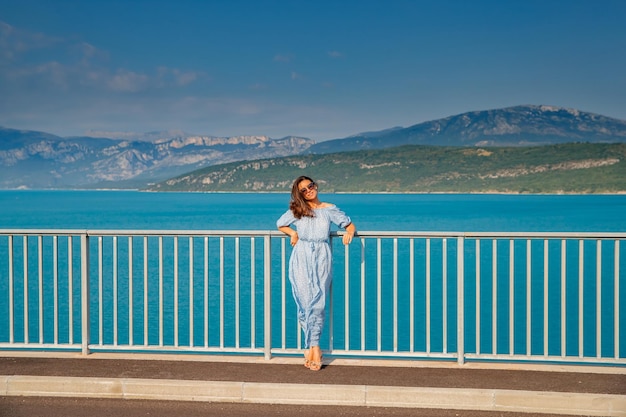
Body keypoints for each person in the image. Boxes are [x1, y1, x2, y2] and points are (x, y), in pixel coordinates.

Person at [276, 176, 356, 371]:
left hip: (321, 257)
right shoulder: (298, 210)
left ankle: (314, 346)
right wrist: (293, 233)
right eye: (303, 190)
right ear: (299, 194)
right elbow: (280, 223)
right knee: (304, 303)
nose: (308, 191)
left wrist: (350, 233)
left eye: (310, 186)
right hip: (301, 256)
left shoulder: (329, 209)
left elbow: (348, 224)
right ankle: (313, 347)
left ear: (316, 186)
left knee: (317, 303)